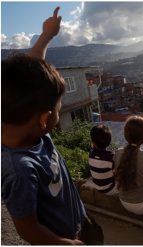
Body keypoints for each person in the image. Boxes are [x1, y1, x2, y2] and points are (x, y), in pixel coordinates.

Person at [2, 7, 97, 244]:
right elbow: (27, 229)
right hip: (66, 237)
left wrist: (46, 36)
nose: (59, 109)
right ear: (44, 118)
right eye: (58, 106)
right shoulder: (19, 170)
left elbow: (31, 74)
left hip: (79, 219)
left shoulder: (21, 118)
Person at [89, 125, 116, 195]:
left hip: (97, 187)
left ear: (93, 142)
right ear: (109, 141)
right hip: (110, 188)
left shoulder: (91, 155)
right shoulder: (111, 157)